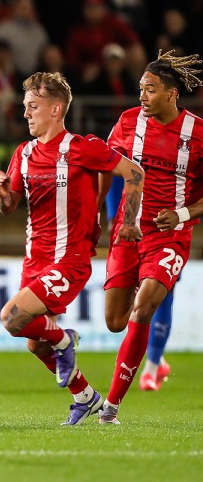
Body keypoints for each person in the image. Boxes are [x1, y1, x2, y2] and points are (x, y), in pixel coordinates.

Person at [0, 72, 144, 426]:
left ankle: (65, 341)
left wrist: (128, 220)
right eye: (25, 107)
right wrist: (1, 194)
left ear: (56, 109)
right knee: (34, 343)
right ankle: (85, 396)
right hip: (35, 260)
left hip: (70, 260)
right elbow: (9, 206)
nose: (27, 113)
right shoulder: (24, 153)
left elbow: (134, 172)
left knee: (12, 318)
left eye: (33, 106)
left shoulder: (82, 147)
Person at [97, 50, 203, 424]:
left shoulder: (198, 133)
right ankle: (148, 356)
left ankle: (110, 408)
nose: (142, 96)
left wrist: (183, 214)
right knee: (114, 321)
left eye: (150, 89)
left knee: (144, 306)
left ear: (172, 94)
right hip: (128, 232)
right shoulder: (127, 122)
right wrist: (101, 215)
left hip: (170, 236)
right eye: (141, 88)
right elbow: (106, 167)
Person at [104, 175, 176, 392]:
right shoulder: (129, 142)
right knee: (119, 316)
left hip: (166, 227)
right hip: (131, 222)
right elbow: (114, 173)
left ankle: (152, 367)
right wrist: (111, 215)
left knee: (163, 290)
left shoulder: (186, 144)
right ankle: (155, 361)